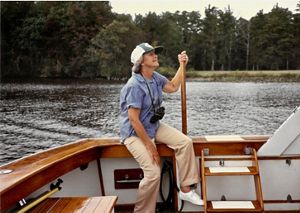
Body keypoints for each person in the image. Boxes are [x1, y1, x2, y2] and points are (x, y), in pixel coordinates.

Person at [119, 42, 203, 213]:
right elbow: (134, 120)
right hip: (134, 133)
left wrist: (182, 65)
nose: (155, 55)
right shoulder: (134, 85)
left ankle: (186, 189)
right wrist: (151, 147)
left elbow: (172, 87)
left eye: (154, 53)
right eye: (150, 54)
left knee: (185, 142)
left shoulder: (155, 77)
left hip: (152, 125)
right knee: (153, 174)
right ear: (141, 61)